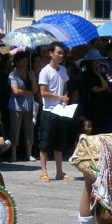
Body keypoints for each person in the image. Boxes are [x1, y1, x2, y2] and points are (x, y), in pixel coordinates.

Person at [37, 42, 72, 182]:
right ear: (51, 53)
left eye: (62, 53)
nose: (61, 56)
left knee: (59, 142)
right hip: (48, 111)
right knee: (45, 142)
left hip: (61, 110)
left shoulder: (63, 70)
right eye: (58, 53)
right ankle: (44, 171)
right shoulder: (45, 71)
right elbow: (43, 92)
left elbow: (65, 88)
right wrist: (59, 97)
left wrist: (65, 99)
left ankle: (59, 171)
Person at [8, 53, 36, 161]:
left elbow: (35, 90)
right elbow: (16, 91)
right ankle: (13, 153)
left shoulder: (30, 73)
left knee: (30, 129)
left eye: (26, 61)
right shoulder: (12, 75)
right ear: (17, 62)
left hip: (29, 105)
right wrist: (29, 92)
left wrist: (33, 79)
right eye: (23, 61)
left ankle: (29, 153)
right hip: (16, 106)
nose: (25, 63)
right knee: (15, 130)